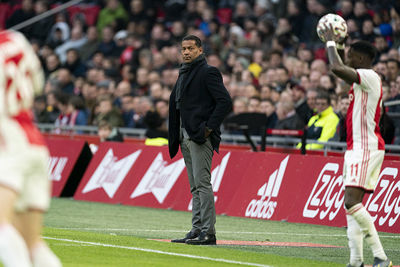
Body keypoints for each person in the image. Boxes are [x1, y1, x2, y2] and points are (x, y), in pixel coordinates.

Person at [320, 24, 392, 267]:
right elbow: (341, 69)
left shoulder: (371, 76)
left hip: (366, 147)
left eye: (351, 55)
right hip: (357, 148)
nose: (347, 59)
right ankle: (356, 261)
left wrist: (330, 42)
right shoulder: (361, 82)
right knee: (351, 205)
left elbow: (336, 67)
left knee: (351, 202)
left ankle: (381, 256)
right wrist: (340, 45)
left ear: (361, 58)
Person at [0, 30, 62, 267]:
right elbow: (36, 84)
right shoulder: (16, 40)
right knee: (33, 242)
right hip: (33, 141)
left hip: (7, 141)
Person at [168, 35, 232, 245]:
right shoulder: (185, 73)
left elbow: (224, 102)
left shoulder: (208, 72)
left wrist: (208, 128)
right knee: (195, 186)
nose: (186, 52)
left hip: (198, 136)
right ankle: (197, 229)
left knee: (202, 184)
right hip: (184, 135)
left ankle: (208, 232)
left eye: (190, 48)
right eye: (183, 49)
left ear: (200, 50)